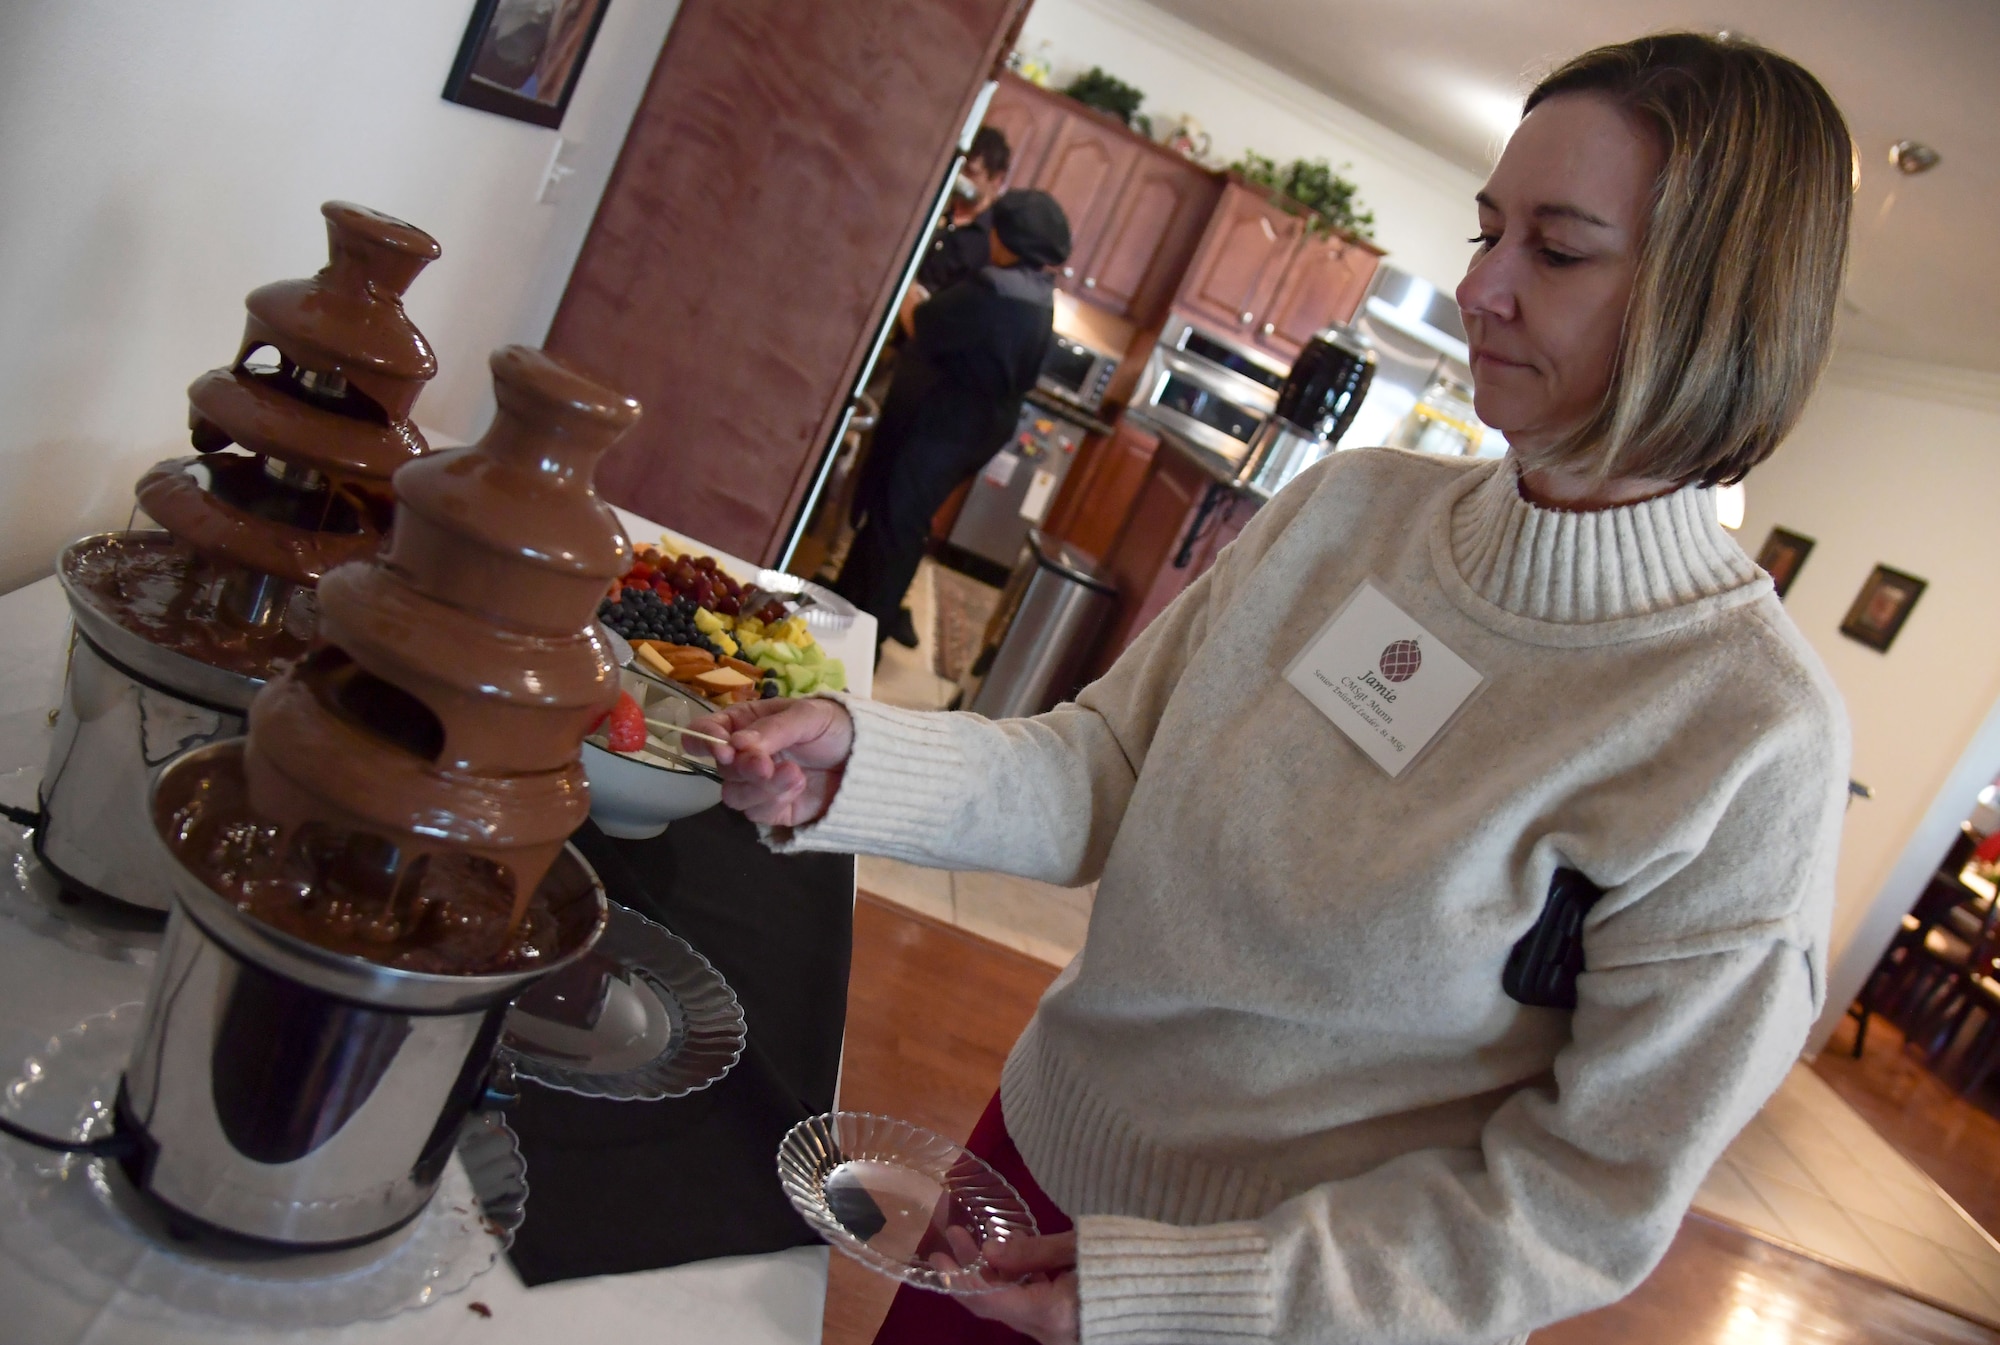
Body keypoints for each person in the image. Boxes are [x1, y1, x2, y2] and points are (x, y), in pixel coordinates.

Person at [698, 32, 1853, 1344]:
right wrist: (857, 759)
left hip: (1272, 1307)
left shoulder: (1746, 732)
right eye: (1488, 233)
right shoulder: (1351, 511)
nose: (1483, 289)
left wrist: (1196, 1295)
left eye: (1560, 249)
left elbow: (1575, 1202)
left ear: (1718, 302)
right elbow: (1105, 771)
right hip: (1021, 1179)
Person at [836, 189, 1070, 645]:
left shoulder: (994, 289)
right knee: (903, 515)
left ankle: (864, 634)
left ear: (1007, 237)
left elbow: (920, 322)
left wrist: (910, 287)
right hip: (980, 426)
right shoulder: (1037, 295)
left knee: (896, 519)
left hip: (950, 422)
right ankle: (853, 607)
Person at [901, 126, 1015, 336]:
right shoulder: (931, 207)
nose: (960, 179)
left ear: (997, 180)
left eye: (970, 173)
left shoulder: (991, 243)